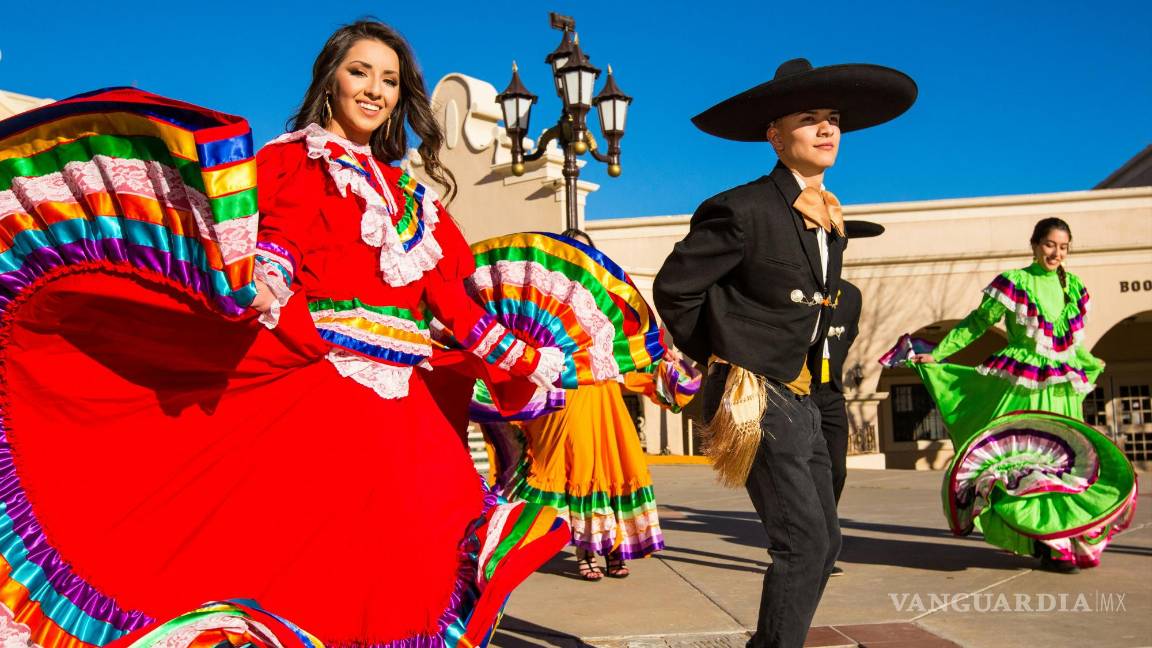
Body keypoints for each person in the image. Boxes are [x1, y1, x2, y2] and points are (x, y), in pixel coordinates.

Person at [0, 20, 570, 648]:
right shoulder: (295, 160)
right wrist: (265, 280)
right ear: (330, 79)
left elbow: (454, 304)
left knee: (424, 556)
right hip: (330, 399)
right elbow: (280, 241)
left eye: (390, 79)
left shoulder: (415, 197)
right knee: (322, 571)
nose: (375, 91)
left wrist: (524, 357)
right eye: (361, 72)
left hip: (411, 418)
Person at [654, 58, 916, 647]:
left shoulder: (830, 216)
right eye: (810, 120)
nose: (827, 130)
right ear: (775, 135)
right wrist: (727, 357)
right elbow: (676, 290)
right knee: (801, 543)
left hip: (809, 397)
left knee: (824, 543)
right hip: (758, 391)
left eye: (833, 120)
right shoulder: (741, 208)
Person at [908, 217, 1137, 572]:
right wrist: (939, 354)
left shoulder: (1074, 287)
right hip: (1022, 384)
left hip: (1061, 390)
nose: (1056, 253)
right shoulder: (1015, 282)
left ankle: (1060, 540)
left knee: (1065, 465)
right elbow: (977, 323)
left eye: (1063, 247)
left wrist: (1089, 362)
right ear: (1035, 245)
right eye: (1050, 245)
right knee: (1028, 463)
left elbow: (1072, 345)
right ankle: (1047, 544)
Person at [502, 228, 665, 581]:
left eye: (584, 251)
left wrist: (666, 375)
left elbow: (630, 352)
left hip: (604, 398)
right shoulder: (544, 299)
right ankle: (586, 551)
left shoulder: (601, 301)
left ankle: (616, 550)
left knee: (612, 471)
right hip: (567, 398)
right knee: (581, 470)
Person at [814, 220, 882, 577]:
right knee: (806, 473)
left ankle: (819, 538)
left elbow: (849, 334)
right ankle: (818, 549)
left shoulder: (851, 295)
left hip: (831, 394)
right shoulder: (797, 290)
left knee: (835, 470)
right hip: (798, 393)